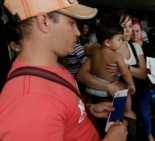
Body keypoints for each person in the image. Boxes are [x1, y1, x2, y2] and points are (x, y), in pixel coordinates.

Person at [0, 0, 128, 141]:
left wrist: (85, 110)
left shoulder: (52, 67)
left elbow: (54, 111)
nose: (78, 32)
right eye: (71, 23)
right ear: (44, 22)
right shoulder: (30, 100)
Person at [77, 9, 148, 141]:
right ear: (114, 29)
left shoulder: (135, 47)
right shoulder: (100, 49)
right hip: (106, 100)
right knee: (112, 129)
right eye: (123, 26)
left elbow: (144, 75)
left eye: (130, 25)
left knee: (131, 129)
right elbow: (81, 75)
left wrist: (124, 67)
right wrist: (108, 86)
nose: (128, 30)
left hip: (133, 97)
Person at [83, 21, 136, 120]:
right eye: (119, 39)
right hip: (107, 89)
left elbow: (87, 51)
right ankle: (128, 111)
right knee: (125, 89)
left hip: (90, 88)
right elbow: (125, 72)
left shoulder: (94, 51)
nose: (121, 42)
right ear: (107, 42)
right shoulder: (117, 56)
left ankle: (89, 106)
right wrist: (131, 84)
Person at [130, 18, 155, 141]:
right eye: (132, 31)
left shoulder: (147, 47)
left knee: (144, 112)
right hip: (128, 86)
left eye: (137, 31)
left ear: (141, 32)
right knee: (132, 112)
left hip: (142, 86)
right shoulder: (125, 47)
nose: (134, 34)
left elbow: (148, 70)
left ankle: (149, 135)